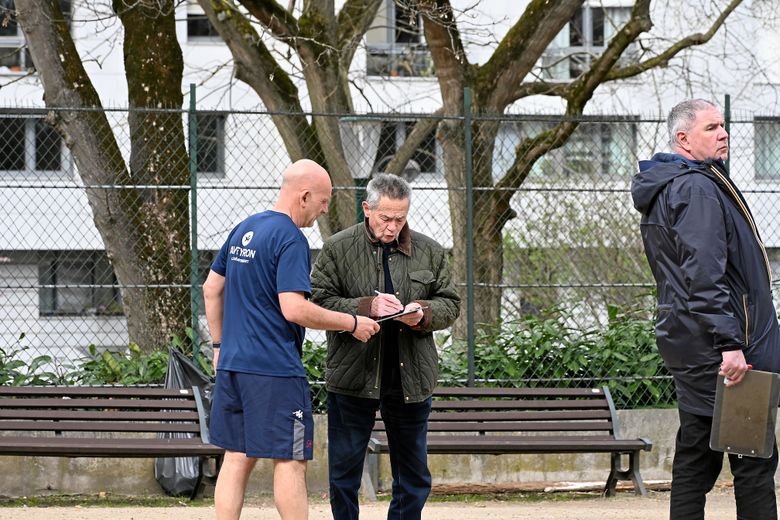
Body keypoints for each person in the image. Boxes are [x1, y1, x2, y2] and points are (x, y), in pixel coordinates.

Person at [203, 159, 380, 520]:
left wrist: (219, 346)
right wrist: (351, 322)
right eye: (324, 201)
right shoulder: (290, 238)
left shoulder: (244, 228)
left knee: (237, 456)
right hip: (275, 371)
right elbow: (294, 309)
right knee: (291, 459)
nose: (325, 209)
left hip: (234, 365)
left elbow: (211, 288)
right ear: (304, 196)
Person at [631, 99, 780, 519]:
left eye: (723, 125)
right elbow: (703, 274)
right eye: (712, 127)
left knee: (698, 454)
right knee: (752, 461)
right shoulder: (695, 187)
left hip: (695, 342)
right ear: (683, 139)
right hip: (728, 351)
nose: (723, 133)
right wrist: (730, 344)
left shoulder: (684, 183)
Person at [310, 173, 461, 520]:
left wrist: (422, 314)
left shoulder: (430, 251)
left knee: (413, 475)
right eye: (385, 218)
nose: (392, 227)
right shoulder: (337, 247)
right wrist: (365, 307)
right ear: (367, 208)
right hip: (354, 373)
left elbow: (450, 304)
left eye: (400, 218)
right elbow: (318, 301)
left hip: (411, 376)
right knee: (344, 472)